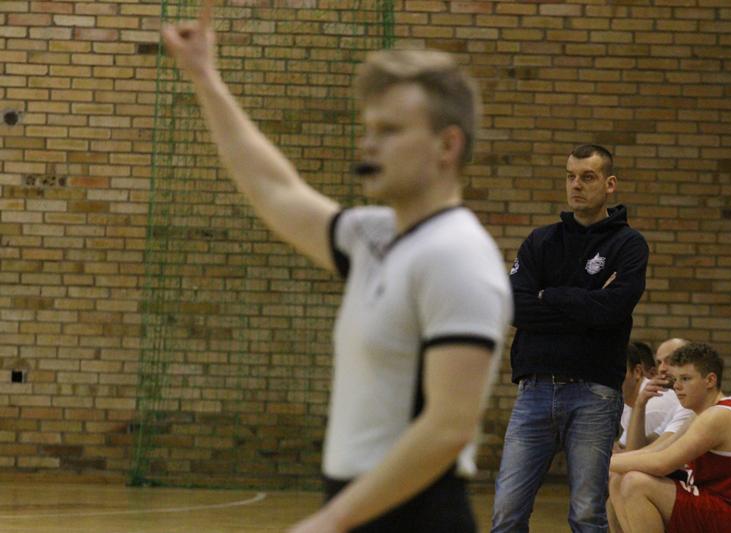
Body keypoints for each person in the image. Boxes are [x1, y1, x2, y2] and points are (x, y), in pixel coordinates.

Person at [162, 3, 512, 532]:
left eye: (389, 130)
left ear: (447, 145)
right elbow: (276, 189)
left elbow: (448, 427)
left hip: (415, 517)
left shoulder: (457, 254)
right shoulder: (373, 237)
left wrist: (330, 521)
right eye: (368, 127)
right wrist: (205, 77)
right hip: (362, 509)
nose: (368, 143)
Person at [492, 144, 649, 532]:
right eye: (570, 177)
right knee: (507, 511)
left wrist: (548, 295)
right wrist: (586, 301)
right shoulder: (541, 241)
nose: (576, 185)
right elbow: (515, 307)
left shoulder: (628, 245)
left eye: (588, 177)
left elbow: (612, 310)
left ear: (609, 184)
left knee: (586, 513)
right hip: (535, 390)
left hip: (594, 392)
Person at [608, 343, 731, 533]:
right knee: (618, 479)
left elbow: (662, 463)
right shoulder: (701, 413)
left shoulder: (719, 416)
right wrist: (608, 460)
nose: (677, 386)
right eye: (675, 379)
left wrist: (602, 462)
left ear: (710, 380)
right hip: (721, 508)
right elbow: (657, 450)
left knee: (635, 483)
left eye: (686, 379)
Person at [621, 338, 695, 452]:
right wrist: (639, 404)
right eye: (659, 363)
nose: (661, 369)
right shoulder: (682, 406)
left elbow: (653, 456)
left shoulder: (692, 406)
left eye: (670, 361)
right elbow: (639, 449)